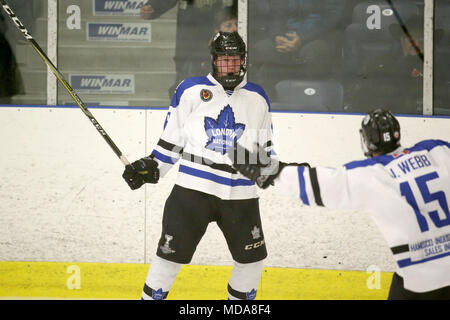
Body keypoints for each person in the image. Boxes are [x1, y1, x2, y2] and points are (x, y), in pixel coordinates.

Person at [228, 108, 450, 300]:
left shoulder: (371, 175)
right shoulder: (437, 150)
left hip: (421, 279)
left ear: (366, 141)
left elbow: (316, 184)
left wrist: (270, 173)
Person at [122, 31, 274, 300]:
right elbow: (172, 141)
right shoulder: (190, 90)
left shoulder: (257, 97)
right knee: (169, 258)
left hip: (240, 194)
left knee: (251, 263)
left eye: (235, 59)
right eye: (224, 59)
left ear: (244, 61)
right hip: (192, 190)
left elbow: (265, 150)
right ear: (214, 61)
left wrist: (270, 172)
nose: (230, 65)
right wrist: (152, 167)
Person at [346, 15, 445, 114]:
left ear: (430, 43)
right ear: (401, 40)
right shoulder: (379, 64)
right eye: (411, 40)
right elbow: (362, 97)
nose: (416, 44)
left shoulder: (438, 71)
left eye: (422, 40)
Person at [250, 0, 346, 100]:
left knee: (313, 53)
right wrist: (277, 36)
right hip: (286, 36)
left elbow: (332, 18)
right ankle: (267, 103)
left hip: (318, 37)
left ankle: (309, 101)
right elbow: (276, 15)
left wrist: (302, 39)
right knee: (261, 50)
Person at [140, 0, 237, 99]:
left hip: (220, 18)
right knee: (186, 71)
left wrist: (235, 16)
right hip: (190, 22)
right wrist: (154, 6)